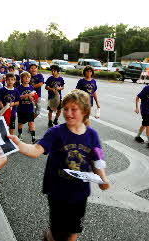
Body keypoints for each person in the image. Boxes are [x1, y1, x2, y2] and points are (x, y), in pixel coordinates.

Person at [9, 89, 110, 241]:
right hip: (57, 191)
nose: (68, 113)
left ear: (84, 111)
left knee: (73, 231)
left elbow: (97, 159)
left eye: (73, 109)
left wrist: (103, 178)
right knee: (57, 232)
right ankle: (50, 236)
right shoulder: (55, 132)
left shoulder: (92, 135)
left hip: (80, 192)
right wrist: (18, 143)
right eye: (65, 109)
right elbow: (36, 150)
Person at [17, 71, 37, 143]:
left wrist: (32, 98)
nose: (27, 79)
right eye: (25, 77)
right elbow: (18, 97)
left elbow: (33, 97)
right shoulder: (19, 87)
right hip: (21, 109)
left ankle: (33, 138)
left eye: (28, 77)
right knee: (20, 123)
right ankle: (20, 134)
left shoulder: (31, 87)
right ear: (22, 79)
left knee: (31, 123)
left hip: (30, 108)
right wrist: (27, 95)